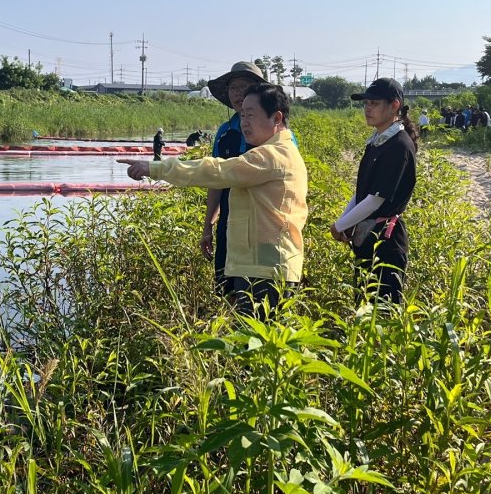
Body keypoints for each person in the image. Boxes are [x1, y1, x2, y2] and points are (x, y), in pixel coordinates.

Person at [119, 84, 308, 319]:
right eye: (242, 115)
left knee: (257, 346)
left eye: (251, 114)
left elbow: (217, 170)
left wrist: (155, 167)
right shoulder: (274, 151)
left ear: (276, 117)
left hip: (267, 269)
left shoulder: (273, 155)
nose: (244, 121)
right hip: (260, 265)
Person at [330, 77, 417, 306]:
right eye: (366, 103)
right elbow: (362, 193)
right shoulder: (377, 142)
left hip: (386, 242)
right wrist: (344, 221)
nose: (368, 108)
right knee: (363, 304)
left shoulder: (399, 145)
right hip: (367, 236)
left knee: (383, 310)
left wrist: (340, 226)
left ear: (395, 105)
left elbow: (375, 200)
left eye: (375, 103)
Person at [201, 61, 270, 297]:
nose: (238, 93)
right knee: (227, 284)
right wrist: (208, 224)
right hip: (230, 215)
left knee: (261, 287)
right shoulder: (225, 131)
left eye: (245, 86)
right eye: (233, 87)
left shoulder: (274, 130)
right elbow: (215, 179)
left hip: (263, 217)